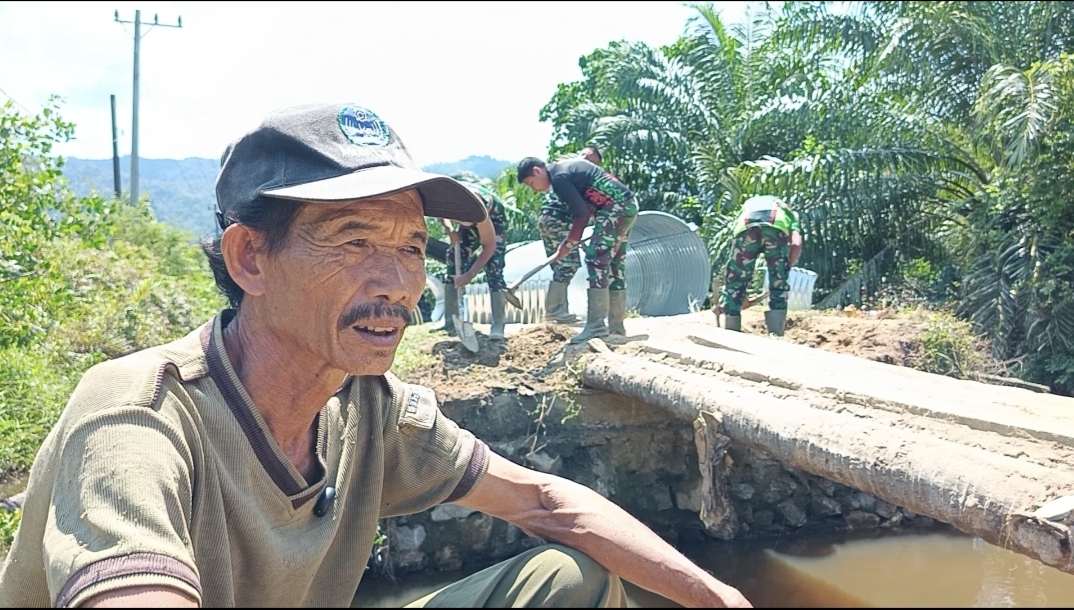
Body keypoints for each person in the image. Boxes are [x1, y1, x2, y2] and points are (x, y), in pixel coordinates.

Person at [0, 103, 751, 609]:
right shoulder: (140, 414)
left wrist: (723, 601)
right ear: (250, 260)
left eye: (412, 247)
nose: (398, 284)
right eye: (356, 242)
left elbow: (547, 505)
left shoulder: (368, 406)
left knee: (565, 579)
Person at [517, 152, 636, 344]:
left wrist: (569, 243)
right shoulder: (566, 169)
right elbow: (585, 208)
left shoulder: (559, 178)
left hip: (613, 208)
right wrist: (573, 239)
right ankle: (616, 326)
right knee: (614, 263)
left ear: (537, 171)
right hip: (626, 205)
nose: (535, 189)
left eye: (532, 183)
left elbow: (580, 214)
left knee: (596, 261)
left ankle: (596, 326)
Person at [536, 145, 602, 325]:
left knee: (560, 265)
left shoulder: (562, 167)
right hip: (559, 219)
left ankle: (559, 310)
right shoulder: (575, 171)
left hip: (547, 217)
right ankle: (555, 310)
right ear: (587, 155)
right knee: (568, 264)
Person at [720, 194, 804, 336]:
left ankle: (731, 330)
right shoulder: (786, 212)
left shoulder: (746, 207)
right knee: (778, 284)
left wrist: (738, 291)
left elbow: (736, 248)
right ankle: (776, 334)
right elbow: (796, 243)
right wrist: (784, 268)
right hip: (775, 229)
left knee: (736, 281)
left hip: (745, 229)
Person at [439, 171, 509, 340]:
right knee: (454, 256)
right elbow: (441, 215)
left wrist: (470, 274)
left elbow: (489, 246)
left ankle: (498, 324)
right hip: (469, 225)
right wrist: (450, 230)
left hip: (494, 222)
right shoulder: (446, 200)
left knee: (494, 266)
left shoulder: (478, 209)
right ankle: (451, 319)